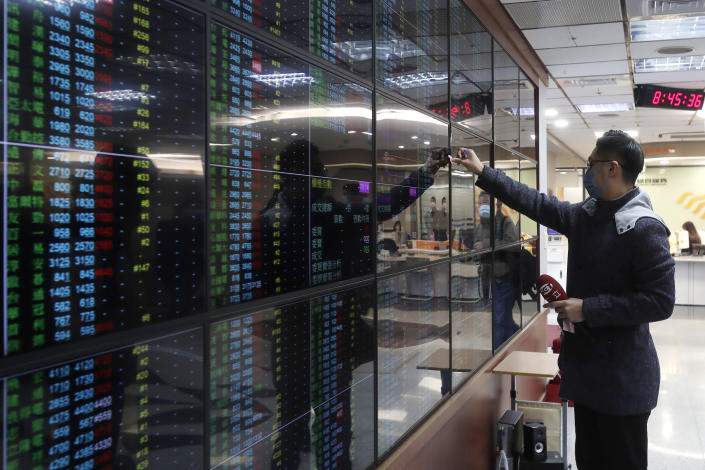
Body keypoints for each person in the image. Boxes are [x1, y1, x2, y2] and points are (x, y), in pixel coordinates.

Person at [453, 130, 675, 470]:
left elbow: (660, 301)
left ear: (612, 168)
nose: (587, 170)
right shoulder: (587, 214)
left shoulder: (645, 228)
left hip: (623, 382)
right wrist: (484, 172)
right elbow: (536, 203)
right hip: (585, 374)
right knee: (588, 460)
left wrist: (587, 308)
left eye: (591, 164)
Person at [473, 192, 520, 348]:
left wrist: (485, 245)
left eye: (486, 202)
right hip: (488, 278)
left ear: (496, 203)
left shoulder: (505, 222)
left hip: (504, 278)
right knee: (503, 318)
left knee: (499, 320)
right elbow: (479, 248)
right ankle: (515, 337)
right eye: (480, 203)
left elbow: (512, 244)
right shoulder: (480, 226)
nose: (482, 206)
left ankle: (497, 354)